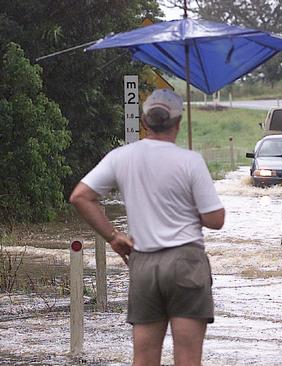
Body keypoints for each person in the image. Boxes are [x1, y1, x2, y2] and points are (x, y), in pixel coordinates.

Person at [69, 89, 225, 366]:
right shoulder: (191, 161)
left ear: (144, 122)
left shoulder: (121, 157)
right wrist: (188, 208)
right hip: (186, 262)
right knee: (188, 358)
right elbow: (216, 220)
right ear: (178, 122)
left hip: (143, 263)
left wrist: (114, 237)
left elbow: (80, 196)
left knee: (143, 357)